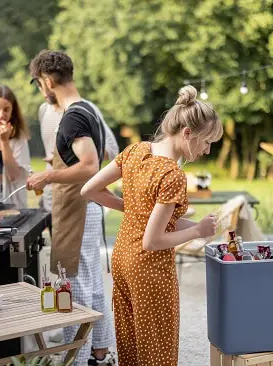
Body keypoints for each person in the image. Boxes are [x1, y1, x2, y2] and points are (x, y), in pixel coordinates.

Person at [80, 85, 223, 366]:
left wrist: (132, 208)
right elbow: (153, 241)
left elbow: (89, 190)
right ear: (187, 133)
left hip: (122, 260)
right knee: (157, 348)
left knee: (132, 343)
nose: (207, 150)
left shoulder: (136, 151)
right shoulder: (172, 174)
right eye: (207, 142)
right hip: (149, 269)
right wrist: (196, 232)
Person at [26, 50, 116, 366]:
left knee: (73, 292)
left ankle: (73, 361)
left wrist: (47, 175)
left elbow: (91, 166)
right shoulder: (87, 111)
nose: (40, 89)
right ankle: (99, 354)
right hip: (85, 209)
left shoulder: (73, 117)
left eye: (38, 83)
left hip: (77, 212)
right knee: (88, 289)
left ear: (47, 81)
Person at [38, 100, 119, 212]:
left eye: (41, 84)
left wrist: (75, 155)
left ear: (49, 82)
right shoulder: (44, 110)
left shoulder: (82, 111)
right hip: (51, 199)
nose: (42, 89)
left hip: (81, 203)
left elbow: (111, 150)